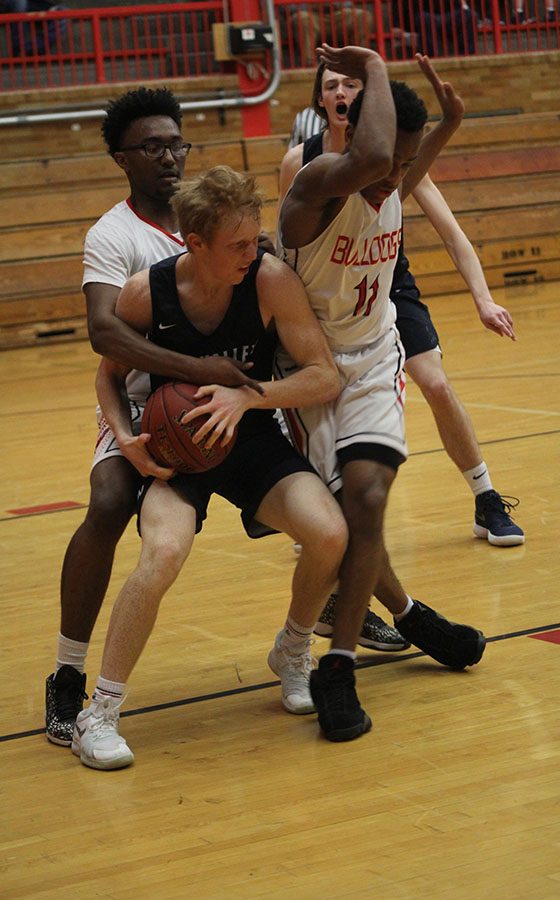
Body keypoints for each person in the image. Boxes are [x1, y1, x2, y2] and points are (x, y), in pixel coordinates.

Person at [70, 164, 356, 769]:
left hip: (248, 436)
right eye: (238, 245)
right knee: (162, 554)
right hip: (179, 450)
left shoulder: (270, 280)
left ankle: (293, 649)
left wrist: (247, 395)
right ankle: (99, 712)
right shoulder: (147, 292)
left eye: (255, 240)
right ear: (194, 243)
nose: (253, 254)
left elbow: (323, 374)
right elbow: (108, 372)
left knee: (329, 533)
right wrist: (126, 438)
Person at [45, 87, 267, 748]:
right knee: (110, 499)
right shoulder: (112, 236)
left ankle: (336, 613)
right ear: (122, 158)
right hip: (146, 404)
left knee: (312, 480)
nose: (169, 156)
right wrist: (198, 371)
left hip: (224, 405)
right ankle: (67, 670)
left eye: (176, 142)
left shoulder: (219, 220)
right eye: (152, 146)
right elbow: (106, 337)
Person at [279, 55, 524, 651]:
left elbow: (401, 173)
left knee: (365, 502)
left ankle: (373, 619)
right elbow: (367, 164)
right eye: (391, 160)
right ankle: (393, 614)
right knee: (338, 523)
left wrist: (449, 125)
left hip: (374, 352)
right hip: (314, 365)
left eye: (406, 164)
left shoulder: (394, 176)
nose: (397, 175)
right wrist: (372, 64)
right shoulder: (312, 177)